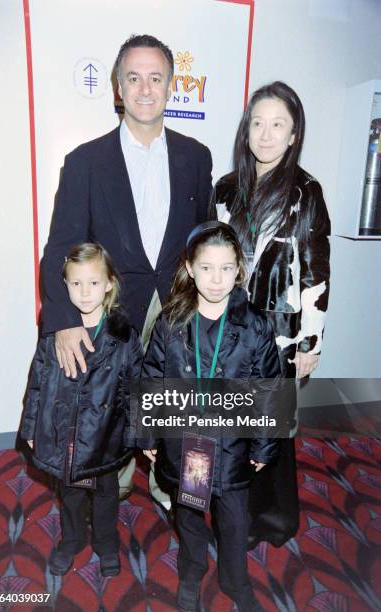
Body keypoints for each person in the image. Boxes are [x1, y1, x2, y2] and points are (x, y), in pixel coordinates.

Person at [41, 33, 212, 503]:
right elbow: (60, 248)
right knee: (107, 406)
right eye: (133, 78)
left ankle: (168, 483)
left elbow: (206, 239)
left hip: (176, 304)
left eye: (155, 78)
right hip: (111, 308)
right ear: (118, 87)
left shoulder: (196, 157)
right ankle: (109, 485)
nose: (144, 89)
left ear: (171, 86)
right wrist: (63, 321)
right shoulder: (84, 162)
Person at [210, 81, 331, 546]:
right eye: (257, 123)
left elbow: (317, 273)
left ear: (293, 133)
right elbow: (209, 260)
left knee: (270, 433)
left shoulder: (306, 192)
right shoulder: (224, 190)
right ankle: (231, 518)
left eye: (277, 124)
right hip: (231, 329)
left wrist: (310, 342)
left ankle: (272, 521)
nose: (265, 134)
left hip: (280, 335)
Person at [140, 221, 281, 612]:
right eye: (206, 268)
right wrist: (149, 436)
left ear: (239, 270)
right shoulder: (172, 321)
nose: (216, 280)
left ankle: (236, 581)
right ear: (189, 267)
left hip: (234, 445)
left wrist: (265, 445)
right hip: (187, 442)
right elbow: (152, 377)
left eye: (226, 268)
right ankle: (191, 568)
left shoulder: (254, 326)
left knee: (234, 521)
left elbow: (269, 389)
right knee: (188, 512)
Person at [20, 243, 142, 576]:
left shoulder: (124, 333)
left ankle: (106, 543)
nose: (85, 292)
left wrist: (137, 434)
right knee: (71, 493)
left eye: (92, 283)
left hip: (105, 435)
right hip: (66, 432)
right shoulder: (55, 333)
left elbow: (135, 387)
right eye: (76, 284)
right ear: (65, 286)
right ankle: (71, 541)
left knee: (106, 493)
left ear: (108, 284)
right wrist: (31, 428)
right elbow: (37, 380)